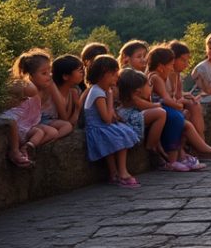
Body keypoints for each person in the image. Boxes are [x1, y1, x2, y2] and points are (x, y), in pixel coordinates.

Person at [147, 44, 211, 163]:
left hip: (167, 107)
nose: (186, 64)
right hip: (163, 108)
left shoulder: (173, 74)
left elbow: (175, 95)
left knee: (192, 108)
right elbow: (167, 98)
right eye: (183, 60)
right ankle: (197, 148)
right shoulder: (159, 76)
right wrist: (179, 103)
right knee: (185, 115)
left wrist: (183, 97)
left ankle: (198, 144)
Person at [82, 55, 141, 187]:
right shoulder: (98, 92)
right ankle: (121, 172)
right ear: (104, 74)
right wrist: (109, 98)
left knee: (124, 131)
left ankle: (115, 173)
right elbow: (107, 119)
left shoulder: (101, 90)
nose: (117, 78)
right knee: (119, 137)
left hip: (102, 126)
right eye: (114, 74)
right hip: (97, 128)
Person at [116, 68, 180, 170]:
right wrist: (160, 104)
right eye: (148, 85)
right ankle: (151, 148)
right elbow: (150, 107)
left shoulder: (135, 96)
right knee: (161, 113)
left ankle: (159, 149)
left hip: (133, 116)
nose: (151, 87)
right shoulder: (135, 98)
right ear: (138, 91)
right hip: (130, 117)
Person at [50, 54, 85, 128]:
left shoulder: (73, 91)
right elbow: (65, 121)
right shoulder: (53, 94)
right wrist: (77, 109)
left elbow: (70, 122)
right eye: (79, 71)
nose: (82, 73)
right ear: (65, 76)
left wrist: (77, 109)